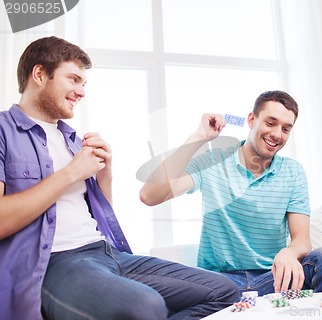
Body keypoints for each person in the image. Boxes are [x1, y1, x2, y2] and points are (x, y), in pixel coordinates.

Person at [0, 36, 239, 320]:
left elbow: (96, 213)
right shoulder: (4, 130)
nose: (81, 92)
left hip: (107, 253)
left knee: (225, 292)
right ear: (39, 74)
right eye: (74, 79)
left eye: (83, 84)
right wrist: (72, 172)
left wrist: (104, 175)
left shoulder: (73, 140)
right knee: (143, 306)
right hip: (55, 263)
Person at [140, 90, 322, 296]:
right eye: (270, 123)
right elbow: (149, 195)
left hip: (273, 280)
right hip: (221, 284)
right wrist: (198, 137)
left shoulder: (292, 171)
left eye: (286, 129)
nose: (277, 134)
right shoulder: (213, 161)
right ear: (251, 119)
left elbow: (302, 240)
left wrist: (289, 252)